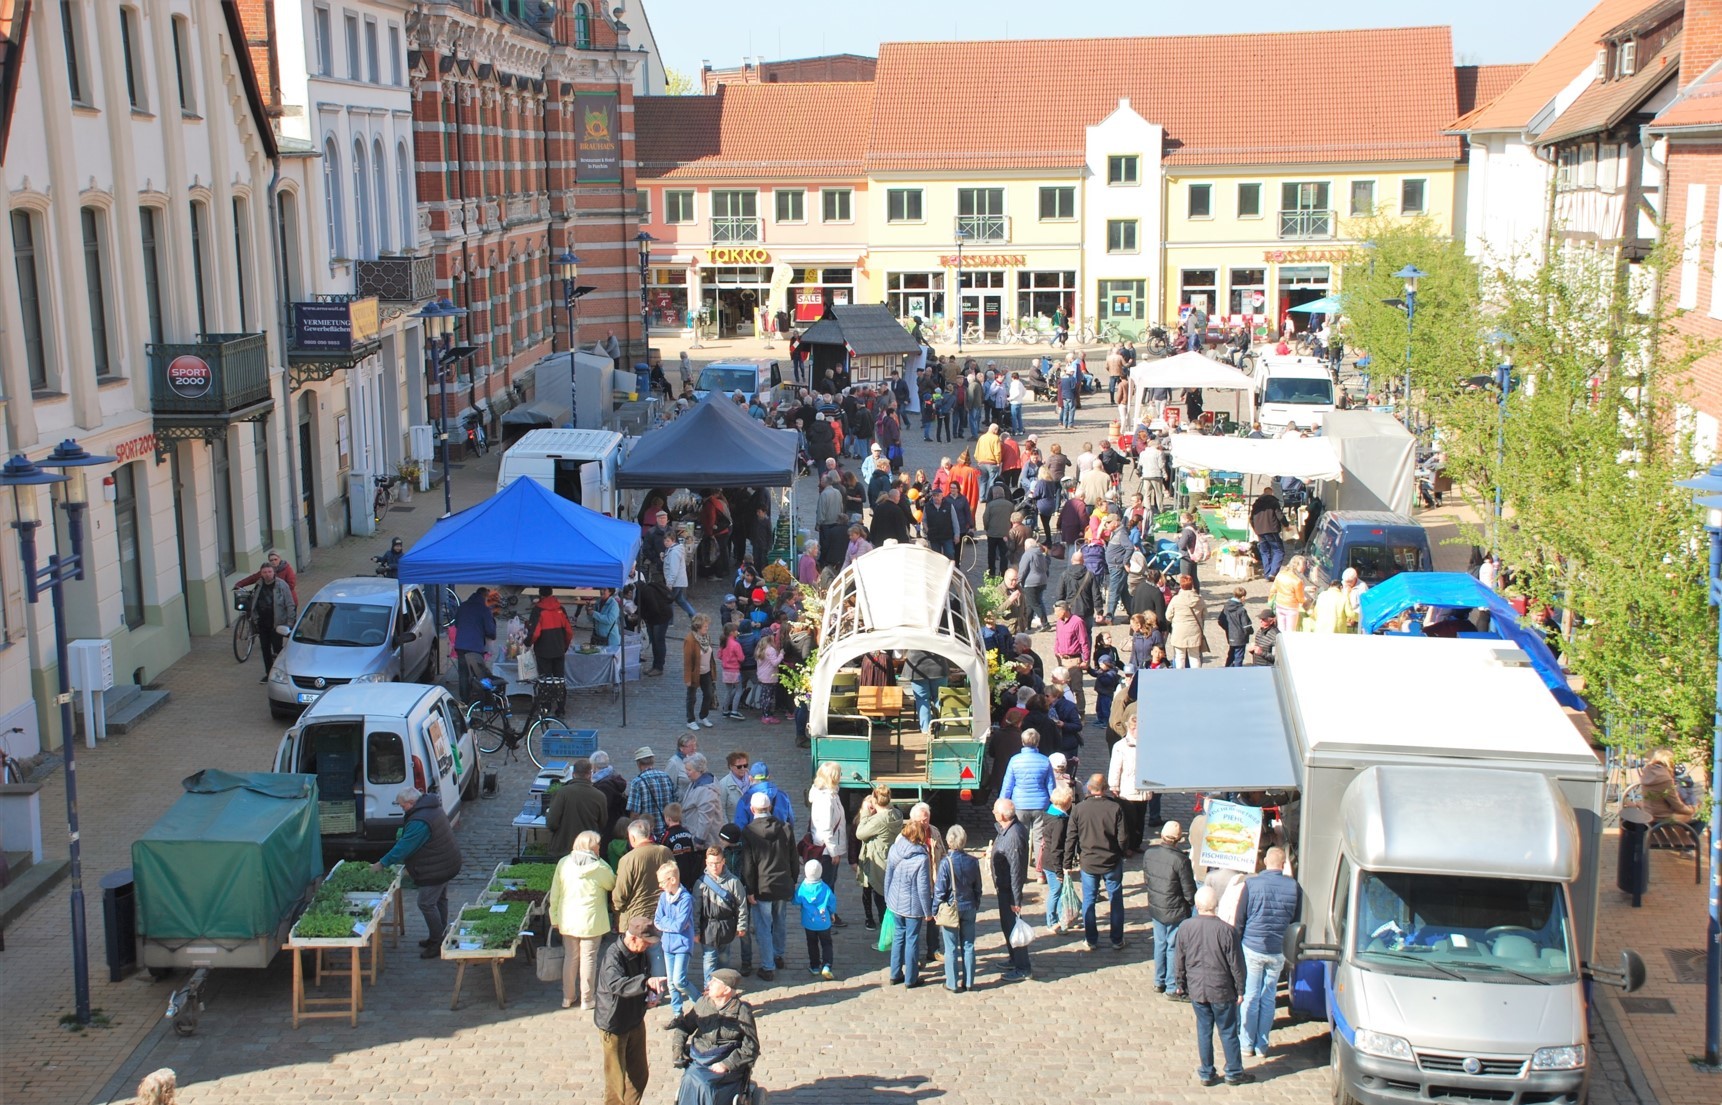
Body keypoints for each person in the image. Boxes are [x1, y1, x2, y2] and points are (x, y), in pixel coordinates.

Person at [1175, 886, 1252, 1087]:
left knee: (1204, 1030)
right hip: (1222, 990)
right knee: (1228, 1031)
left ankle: (1207, 1072)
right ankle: (1234, 1072)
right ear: (1215, 905)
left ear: (1197, 905)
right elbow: (1237, 964)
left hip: (1197, 989)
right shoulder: (1227, 931)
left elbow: (1179, 958)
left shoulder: (1185, 927)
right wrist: (1241, 989)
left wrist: (1180, 983)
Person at [374, 787, 463, 957]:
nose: (402, 809)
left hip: (436, 867)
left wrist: (382, 863)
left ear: (411, 803)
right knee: (439, 899)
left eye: (403, 806)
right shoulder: (431, 808)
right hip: (446, 861)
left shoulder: (420, 821)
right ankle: (440, 935)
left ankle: (437, 942)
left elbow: (404, 846)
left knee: (426, 903)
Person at [1236, 846, 1303, 1059]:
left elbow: (1240, 918)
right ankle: (1261, 1045)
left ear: (1265, 861)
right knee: (1268, 997)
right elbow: (1295, 920)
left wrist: (1236, 944)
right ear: (1283, 865)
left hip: (1253, 946)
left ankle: (1246, 1043)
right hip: (1277, 948)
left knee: (1250, 996)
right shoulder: (1294, 887)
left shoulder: (1251, 884)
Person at [594, 915, 668, 1105]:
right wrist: (646, 983)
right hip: (614, 1024)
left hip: (635, 1018)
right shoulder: (613, 956)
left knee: (639, 1074)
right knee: (616, 1083)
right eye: (646, 942)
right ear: (633, 938)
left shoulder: (641, 952)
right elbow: (616, 984)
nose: (649, 946)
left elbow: (644, 977)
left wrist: (649, 995)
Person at [669, 968, 760, 1105]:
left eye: (715, 982)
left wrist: (727, 1064)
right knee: (688, 1079)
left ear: (726, 990)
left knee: (706, 1086)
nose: (709, 984)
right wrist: (677, 1048)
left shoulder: (742, 1012)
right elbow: (684, 1027)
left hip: (725, 1061)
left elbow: (751, 1047)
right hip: (700, 1058)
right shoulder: (702, 1004)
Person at [550, 829, 616, 1009]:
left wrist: (554, 916)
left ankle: (567, 997)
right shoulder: (600, 867)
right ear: (593, 848)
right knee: (589, 959)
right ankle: (587, 999)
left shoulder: (564, 863)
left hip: (568, 918)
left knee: (570, 957)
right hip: (591, 920)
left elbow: (555, 892)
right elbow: (611, 883)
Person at [1064, 773, 1130, 952]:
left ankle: (1091, 939)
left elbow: (1071, 837)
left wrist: (1067, 863)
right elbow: (1123, 838)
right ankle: (1117, 939)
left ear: (1089, 788)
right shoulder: (1115, 808)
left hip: (1089, 862)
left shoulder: (1079, 809)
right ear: (1105, 788)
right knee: (1115, 899)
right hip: (1111, 861)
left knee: (1089, 900)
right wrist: (1120, 853)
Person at [739, 791, 796, 981]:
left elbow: (748, 865)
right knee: (780, 921)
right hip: (782, 883)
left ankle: (767, 965)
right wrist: (793, 881)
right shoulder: (785, 827)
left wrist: (750, 889)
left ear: (752, 809)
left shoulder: (749, 832)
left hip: (762, 887)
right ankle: (778, 955)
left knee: (763, 927)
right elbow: (793, 858)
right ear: (770, 807)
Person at [1142, 821, 1197, 998]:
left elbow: (1147, 879)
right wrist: (1191, 904)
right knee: (1173, 947)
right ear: (1179, 839)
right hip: (1176, 910)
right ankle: (1172, 986)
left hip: (1157, 907)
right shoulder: (1181, 860)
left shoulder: (1150, 853)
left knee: (1160, 943)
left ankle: (1159, 981)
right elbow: (1189, 890)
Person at [882, 819, 933, 987]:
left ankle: (895, 973)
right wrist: (928, 911)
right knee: (912, 940)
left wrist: (888, 897)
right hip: (913, 907)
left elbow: (888, 875)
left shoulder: (894, 849)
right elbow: (923, 888)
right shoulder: (921, 858)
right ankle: (911, 978)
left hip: (895, 902)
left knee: (898, 936)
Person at [991, 798, 1033, 981]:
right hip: (1004, 887)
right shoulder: (1007, 829)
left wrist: (1016, 900)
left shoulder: (1014, 835)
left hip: (1009, 890)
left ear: (1002, 815)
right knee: (1007, 926)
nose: (993, 812)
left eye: (995, 810)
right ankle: (1014, 959)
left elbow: (1015, 870)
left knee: (1014, 927)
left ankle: (1023, 967)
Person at [854, 783, 904, 929]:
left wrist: (865, 813)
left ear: (875, 801)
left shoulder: (878, 820)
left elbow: (860, 833)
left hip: (879, 864)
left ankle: (887, 933)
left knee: (881, 900)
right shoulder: (897, 814)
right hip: (892, 858)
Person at [612, 820, 676, 933]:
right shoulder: (665, 852)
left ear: (632, 837)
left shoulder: (628, 859)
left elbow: (620, 893)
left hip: (636, 919)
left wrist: (616, 908)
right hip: (663, 914)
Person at [696, 845, 748, 982]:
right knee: (709, 960)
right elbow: (695, 910)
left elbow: (741, 905)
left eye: (717, 863)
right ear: (706, 862)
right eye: (711, 863)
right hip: (708, 927)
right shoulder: (700, 884)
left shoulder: (734, 882)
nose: (714, 866)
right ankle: (709, 988)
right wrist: (696, 931)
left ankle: (723, 985)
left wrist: (741, 925)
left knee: (724, 959)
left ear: (723, 861)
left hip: (726, 926)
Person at [653, 862, 698, 1016]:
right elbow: (657, 920)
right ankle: (677, 1014)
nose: (660, 886)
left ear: (672, 880)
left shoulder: (685, 899)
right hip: (667, 945)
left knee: (679, 980)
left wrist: (666, 923)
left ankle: (699, 1001)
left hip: (682, 945)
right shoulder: (663, 897)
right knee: (671, 983)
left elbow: (679, 926)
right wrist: (669, 924)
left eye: (662, 882)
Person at [807, 762, 848, 925]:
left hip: (827, 847)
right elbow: (826, 828)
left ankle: (829, 914)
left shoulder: (831, 794)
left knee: (829, 884)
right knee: (826, 885)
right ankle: (823, 918)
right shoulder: (826, 799)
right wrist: (834, 852)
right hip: (826, 850)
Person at [546, 757, 611, 859]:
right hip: (588, 848)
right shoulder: (600, 796)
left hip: (563, 848)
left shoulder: (562, 793)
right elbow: (602, 824)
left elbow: (552, 823)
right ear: (590, 775)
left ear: (573, 774)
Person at [1106, 715, 1151, 854]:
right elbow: (1115, 767)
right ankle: (1127, 846)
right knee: (1128, 820)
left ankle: (1136, 843)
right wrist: (1114, 785)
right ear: (1131, 728)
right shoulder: (1120, 746)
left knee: (1140, 818)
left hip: (1143, 789)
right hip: (1127, 789)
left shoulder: (1147, 744)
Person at [248, 563, 296, 684]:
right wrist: (255, 619)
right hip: (263, 623)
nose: (267, 574)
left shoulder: (281, 585)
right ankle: (268, 673)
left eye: (269, 572)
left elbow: (290, 604)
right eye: (264, 572)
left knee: (278, 650)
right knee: (265, 649)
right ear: (261, 573)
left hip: (277, 624)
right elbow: (254, 602)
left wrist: (290, 623)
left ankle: (281, 674)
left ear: (274, 572)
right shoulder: (259, 585)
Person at [1037, 784, 1076, 932]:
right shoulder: (1059, 822)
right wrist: (1059, 871)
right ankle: (1052, 921)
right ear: (1067, 803)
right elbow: (1056, 848)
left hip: (1048, 860)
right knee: (1056, 891)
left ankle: (1062, 918)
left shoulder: (1050, 814)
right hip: (1053, 863)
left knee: (1059, 891)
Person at [1640, 747, 1705, 826]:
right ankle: (1687, 834)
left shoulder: (1647, 771)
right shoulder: (1665, 778)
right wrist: (1693, 809)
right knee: (1703, 816)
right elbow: (1678, 806)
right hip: (1663, 818)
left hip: (1649, 815)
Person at [795, 858, 837, 978]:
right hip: (824, 923)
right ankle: (827, 965)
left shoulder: (803, 887)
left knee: (812, 944)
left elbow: (796, 900)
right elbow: (831, 902)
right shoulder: (825, 888)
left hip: (809, 923)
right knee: (826, 943)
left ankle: (814, 966)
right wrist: (832, 913)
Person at [627, 747, 678, 835]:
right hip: (667, 831)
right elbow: (674, 802)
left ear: (638, 764)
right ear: (653, 761)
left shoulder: (637, 782)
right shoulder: (666, 777)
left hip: (648, 832)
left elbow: (635, 813)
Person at [683, 614, 718, 732]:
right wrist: (688, 678)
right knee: (691, 697)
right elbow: (687, 661)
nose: (707, 628)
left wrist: (713, 672)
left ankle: (703, 716)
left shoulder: (707, 637)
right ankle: (690, 720)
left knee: (708, 694)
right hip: (695, 673)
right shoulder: (690, 640)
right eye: (705, 626)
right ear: (698, 626)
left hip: (706, 672)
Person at [1165, 575, 1208, 668]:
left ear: (1181, 585)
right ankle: (1196, 675)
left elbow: (1168, 616)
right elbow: (1205, 614)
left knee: (1179, 656)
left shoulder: (1176, 599)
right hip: (1194, 631)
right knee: (1195, 656)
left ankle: (1180, 675)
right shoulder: (1199, 599)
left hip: (1179, 631)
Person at [1249, 488, 1286, 582]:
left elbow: (1251, 518)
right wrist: (1286, 524)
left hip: (1259, 531)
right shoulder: (1273, 502)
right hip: (1271, 529)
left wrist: (1255, 528)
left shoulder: (1257, 503)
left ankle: (1267, 573)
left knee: (1265, 552)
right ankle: (1272, 573)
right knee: (1279, 551)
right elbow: (1280, 515)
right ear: (1271, 493)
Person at [1217, 587, 1252, 667]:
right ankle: (1237, 672)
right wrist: (1250, 631)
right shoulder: (1241, 610)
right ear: (1243, 597)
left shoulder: (1226, 607)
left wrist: (1229, 629)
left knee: (1231, 655)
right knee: (1239, 657)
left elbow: (1220, 621)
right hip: (1240, 638)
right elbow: (1246, 626)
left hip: (1230, 636)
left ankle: (1228, 670)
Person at [1271, 556, 1308, 633]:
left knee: (1281, 629)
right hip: (1291, 608)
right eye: (1303, 565)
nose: (1304, 567)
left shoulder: (1280, 574)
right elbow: (1300, 599)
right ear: (1296, 565)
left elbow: (1274, 589)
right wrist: (1307, 601)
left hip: (1279, 605)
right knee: (1290, 631)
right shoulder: (1297, 581)